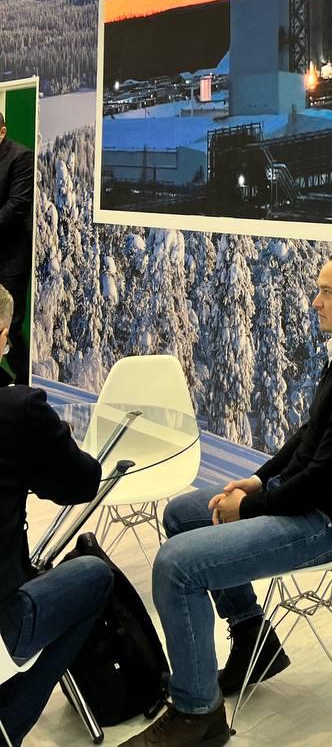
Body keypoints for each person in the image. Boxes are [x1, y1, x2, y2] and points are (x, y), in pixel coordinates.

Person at [121, 249, 332, 747]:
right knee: (183, 513)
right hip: (313, 503)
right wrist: (259, 481)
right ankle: (252, 639)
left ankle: (196, 715)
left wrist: (249, 506)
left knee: (176, 567)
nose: (315, 301)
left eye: (326, 292)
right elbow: (310, 434)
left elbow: (321, 483)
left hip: (328, 524)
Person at [0, 284, 114, 747]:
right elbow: (82, 482)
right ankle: (10, 719)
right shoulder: (19, 410)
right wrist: (49, 443)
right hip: (3, 619)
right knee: (96, 577)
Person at [0, 112, 35, 385]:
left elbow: (17, 206)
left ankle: (24, 384)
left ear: (2, 132)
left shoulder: (21, 157)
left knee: (10, 326)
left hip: (10, 260)